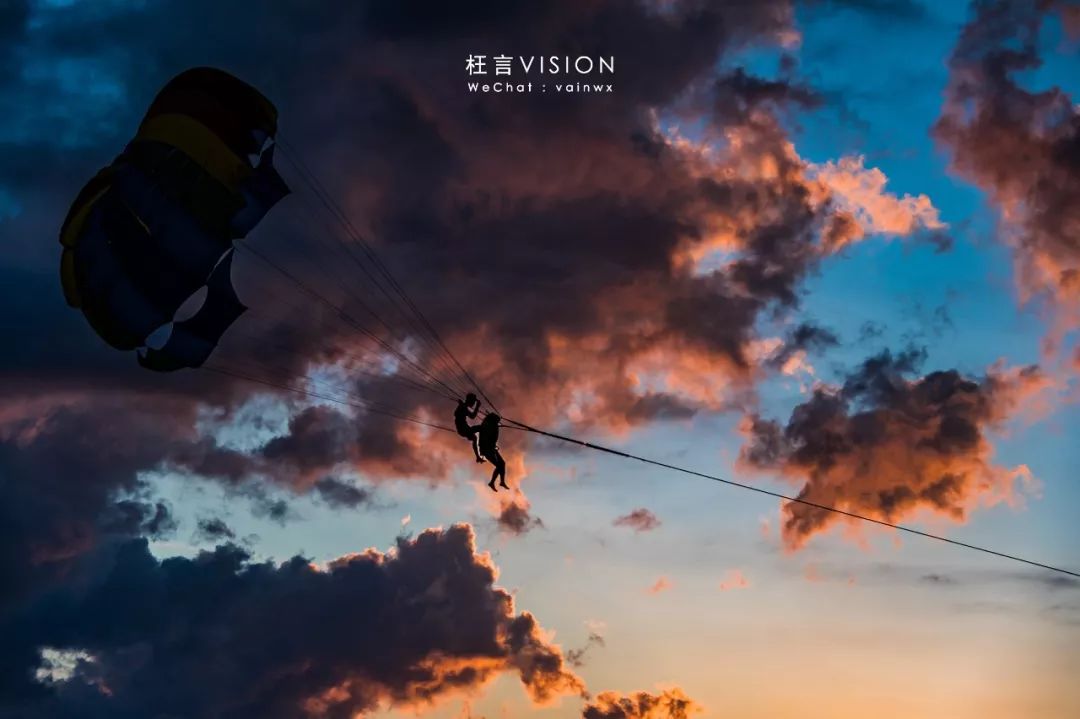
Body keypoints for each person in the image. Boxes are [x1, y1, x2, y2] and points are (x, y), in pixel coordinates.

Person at [477, 413, 508, 491]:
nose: (497, 423)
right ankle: (492, 482)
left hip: (491, 448)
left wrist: (496, 427)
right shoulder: (486, 426)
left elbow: (493, 436)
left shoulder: (490, 425)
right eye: (497, 421)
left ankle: (501, 482)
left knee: (502, 464)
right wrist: (496, 427)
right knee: (499, 465)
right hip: (487, 449)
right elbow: (488, 437)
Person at [454, 393, 483, 462]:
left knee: (474, 438)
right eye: (473, 402)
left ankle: (478, 456)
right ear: (470, 401)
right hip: (464, 429)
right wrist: (477, 407)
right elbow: (472, 416)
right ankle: (482, 449)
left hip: (464, 429)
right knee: (481, 428)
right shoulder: (463, 407)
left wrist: (461, 404)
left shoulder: (463, 406)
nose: (473, 404)